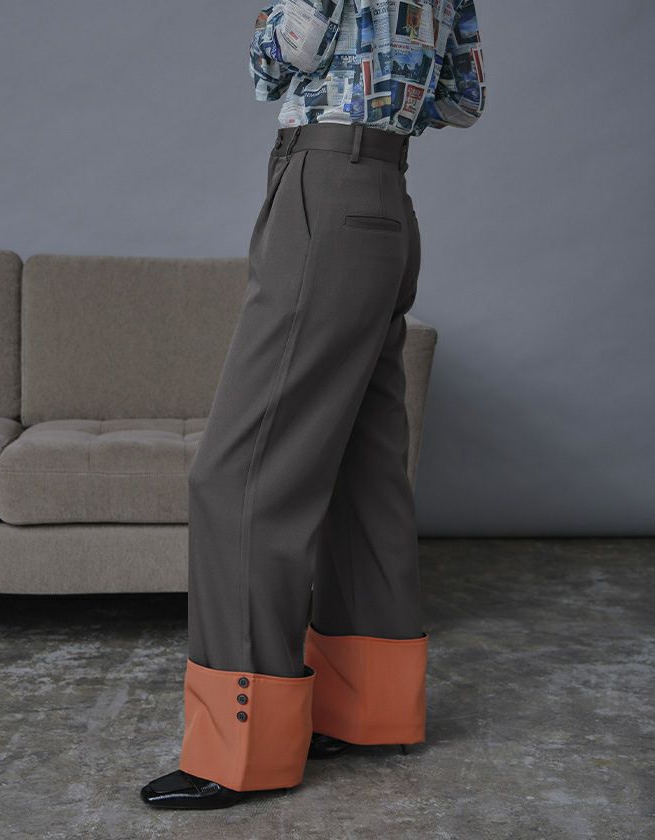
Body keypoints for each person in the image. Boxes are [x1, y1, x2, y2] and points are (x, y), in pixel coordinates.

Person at [141, 0, 486, 810]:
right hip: (389, 199)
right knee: (363, 468)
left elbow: (281, 57)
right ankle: (372, 709)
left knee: (237, 477)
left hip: (322, 186)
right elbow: (463, 100)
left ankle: (242, 749)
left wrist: (284, 48)